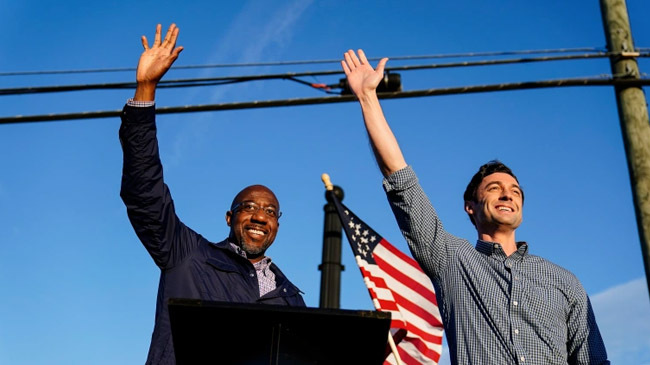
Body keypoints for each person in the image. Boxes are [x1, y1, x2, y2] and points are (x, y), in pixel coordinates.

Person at [341, 49, 609, 365]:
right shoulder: (451, 259)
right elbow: (401, 182)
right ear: (470, 207)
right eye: (494, 189)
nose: (507, 196)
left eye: (515, 192)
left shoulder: (565, 282)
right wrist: (368, 98)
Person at [119, 24, 305, 365]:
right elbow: (144, 190)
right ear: (229, 217)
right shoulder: (187, 255)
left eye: (270, 211)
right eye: (248, 207)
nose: (260, 216)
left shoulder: (290, 298)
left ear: (278, 224)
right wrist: (145, 90)